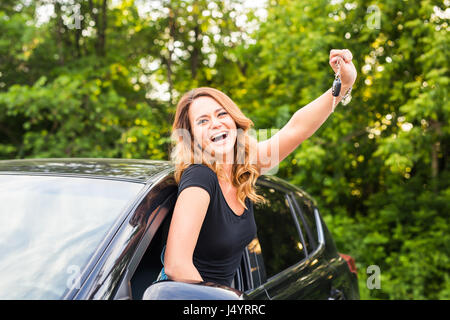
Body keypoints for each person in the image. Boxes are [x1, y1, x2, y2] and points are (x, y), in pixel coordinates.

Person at [160, 49, 357, 287]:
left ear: (233, 120)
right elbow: (176, 265)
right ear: (191, 136)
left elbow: (296, 129)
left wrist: (344, 83)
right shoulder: (200, 176)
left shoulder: (244, 167)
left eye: (221, 113)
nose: (215, 123)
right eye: (202, 121)